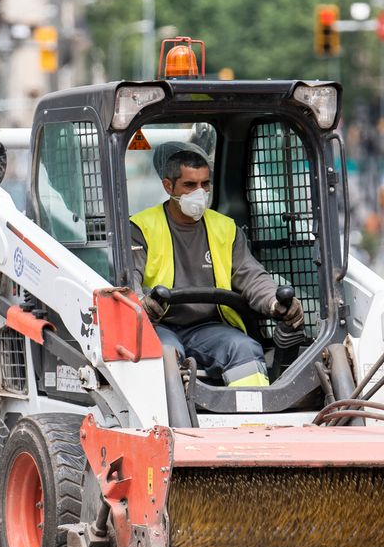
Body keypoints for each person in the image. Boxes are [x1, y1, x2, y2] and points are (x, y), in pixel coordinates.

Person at [129, 142, 304, 388]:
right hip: (159, 325)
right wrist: (141, 304)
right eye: (190, 185)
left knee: (244, 349)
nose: (199, 192)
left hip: (208, 328)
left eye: (205, 184)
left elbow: (252, 276)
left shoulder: (225, 228)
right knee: (166, 355)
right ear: (168, 186)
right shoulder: (141, 228)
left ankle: (253, 419)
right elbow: (128, 283)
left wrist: (275, 302)